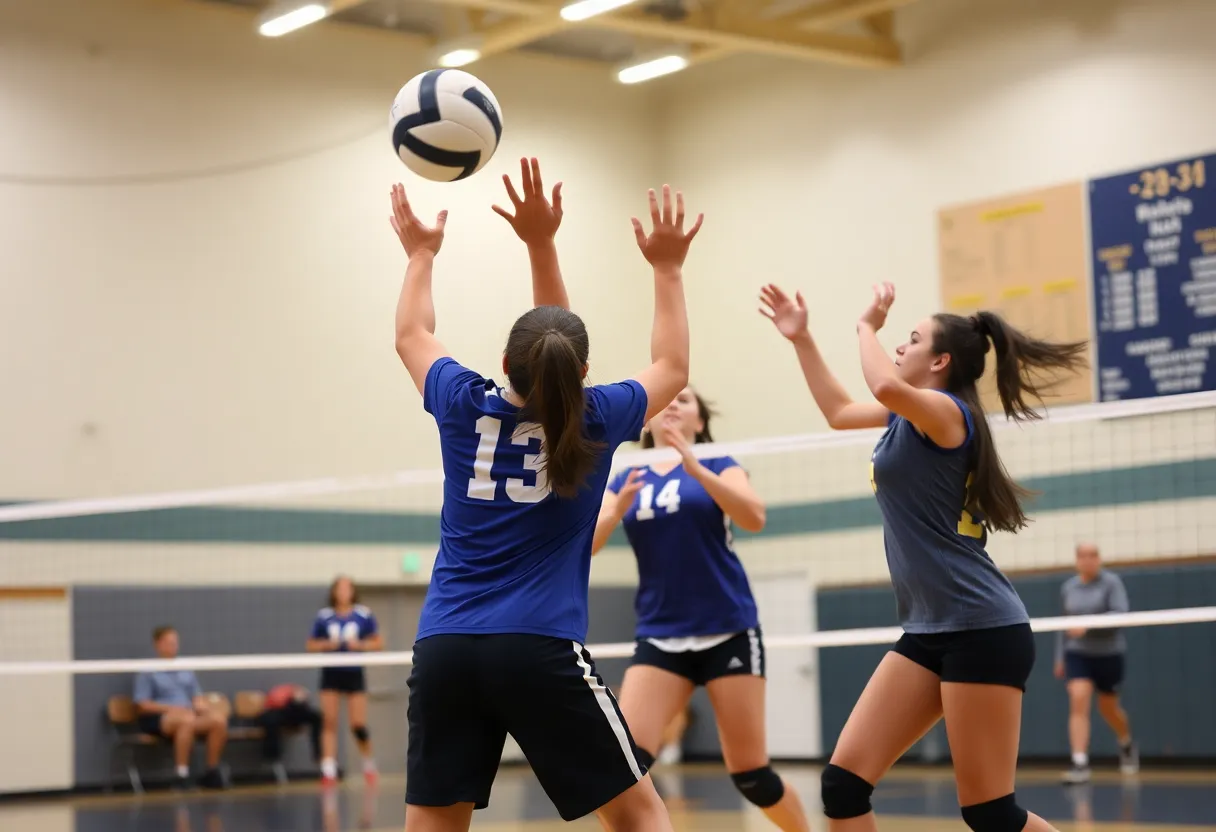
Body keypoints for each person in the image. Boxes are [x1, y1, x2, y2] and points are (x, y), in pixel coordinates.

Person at [390, 157, 699, 832]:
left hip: (445, 647)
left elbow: (411, 334)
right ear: (583, 374)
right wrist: (667, 269)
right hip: (538, 647)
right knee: (642, 817)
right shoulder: (595, 416)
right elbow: (673, 367)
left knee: (433, 825)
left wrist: (420, 252)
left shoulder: (459, 403)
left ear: (503, 363)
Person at [760, 281, 1086, 832]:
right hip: (929, 631)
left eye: (912, 339)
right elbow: (839, 411)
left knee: (989, 813)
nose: (899, 347)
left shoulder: (946, 412)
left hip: (982, 628)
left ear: (939, 361)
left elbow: (884, 384)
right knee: (843, 785)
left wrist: (866, 325)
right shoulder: (906, 417)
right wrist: (802, 338)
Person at [592, 387, 810, 832]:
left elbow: (754, 516)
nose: (673, 403)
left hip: (727, 627)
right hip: (661, 633)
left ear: (700, 421)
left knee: (752, 776)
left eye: (685, 400)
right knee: (619, 774)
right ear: (645, 421)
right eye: (665, 400)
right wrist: (615, 511)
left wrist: (697, 468)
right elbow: (585, 546)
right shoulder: (628, 472)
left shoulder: (719, 462)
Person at [1055, 543, 1138, 784]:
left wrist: (1089, 626)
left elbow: (1120, 614)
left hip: (1108, 654)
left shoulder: (1112, 583)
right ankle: (1079, 762)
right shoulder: (1068, 588)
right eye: (1083, 556)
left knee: (1108, 707)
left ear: (1099, 558)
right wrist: (1060, 657)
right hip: (1077, 655)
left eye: (1093, 555)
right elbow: (1062, 625)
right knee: (1078, 699)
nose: (1088, 560)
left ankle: (1126, 742)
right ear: (1076, 560)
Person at [305, 575, 383, 785]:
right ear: (333, 592)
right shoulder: (324, 616)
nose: (343, 592)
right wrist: (326, 645)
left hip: (354, 672)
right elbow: (310, 645)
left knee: (358, 724)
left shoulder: (363, 614)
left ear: (353, 591)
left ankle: (368, 762)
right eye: (340, 588)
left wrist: (359, 645)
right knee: (329, 721)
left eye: (347, 588)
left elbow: (378, 642)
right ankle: (328, 769)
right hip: (331, 672)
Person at [132, 625, 229, 790]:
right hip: (160, 717)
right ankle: (181, 775)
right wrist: (171, 709)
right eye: (169, 642)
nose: (173, 646)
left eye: (175, 642)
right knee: (186, 720)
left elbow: (197, 698)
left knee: (218, 721)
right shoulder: (147, 671)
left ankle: (211, 772)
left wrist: (204, 707)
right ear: (158, 644)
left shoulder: (185, 669)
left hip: (188, 714)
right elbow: (142, 705)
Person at [257, 683, 323, 767]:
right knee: (271, 721)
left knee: (317, 717)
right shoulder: (275, 705)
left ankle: (319, 753)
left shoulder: (298, 695)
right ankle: (272, 755)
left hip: (293, 711)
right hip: (277, 714)